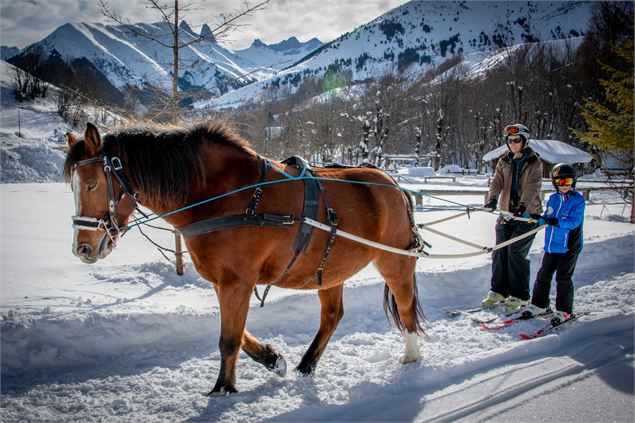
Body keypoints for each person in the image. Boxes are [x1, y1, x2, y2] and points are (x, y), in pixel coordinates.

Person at [481, 123, 543, 312]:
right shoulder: (504, 161)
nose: (513, 144)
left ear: (525, 141)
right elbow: (497, 182)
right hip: (506, 214)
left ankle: (520, 295)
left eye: (517, 140)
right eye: (510, 141)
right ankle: (499, 291)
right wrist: (492, 199)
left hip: (527, 215)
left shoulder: (534, 162)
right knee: (500, 251)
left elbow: (533, 186)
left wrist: (523, 205)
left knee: (516, 252)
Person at [521, 163, 585, 325]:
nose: (564, 186)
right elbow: (547, 216)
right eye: (560, 182)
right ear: (555, 183)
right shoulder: (553, 199)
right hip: (552, 245)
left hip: (569, 246)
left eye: (568, 182)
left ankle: (565, 311)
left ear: (573, 182)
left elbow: (573, 222)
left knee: (563, 278)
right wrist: (538, 218)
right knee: (543, 275)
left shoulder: (578, 200)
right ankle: (540, 305)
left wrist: (555, 221)